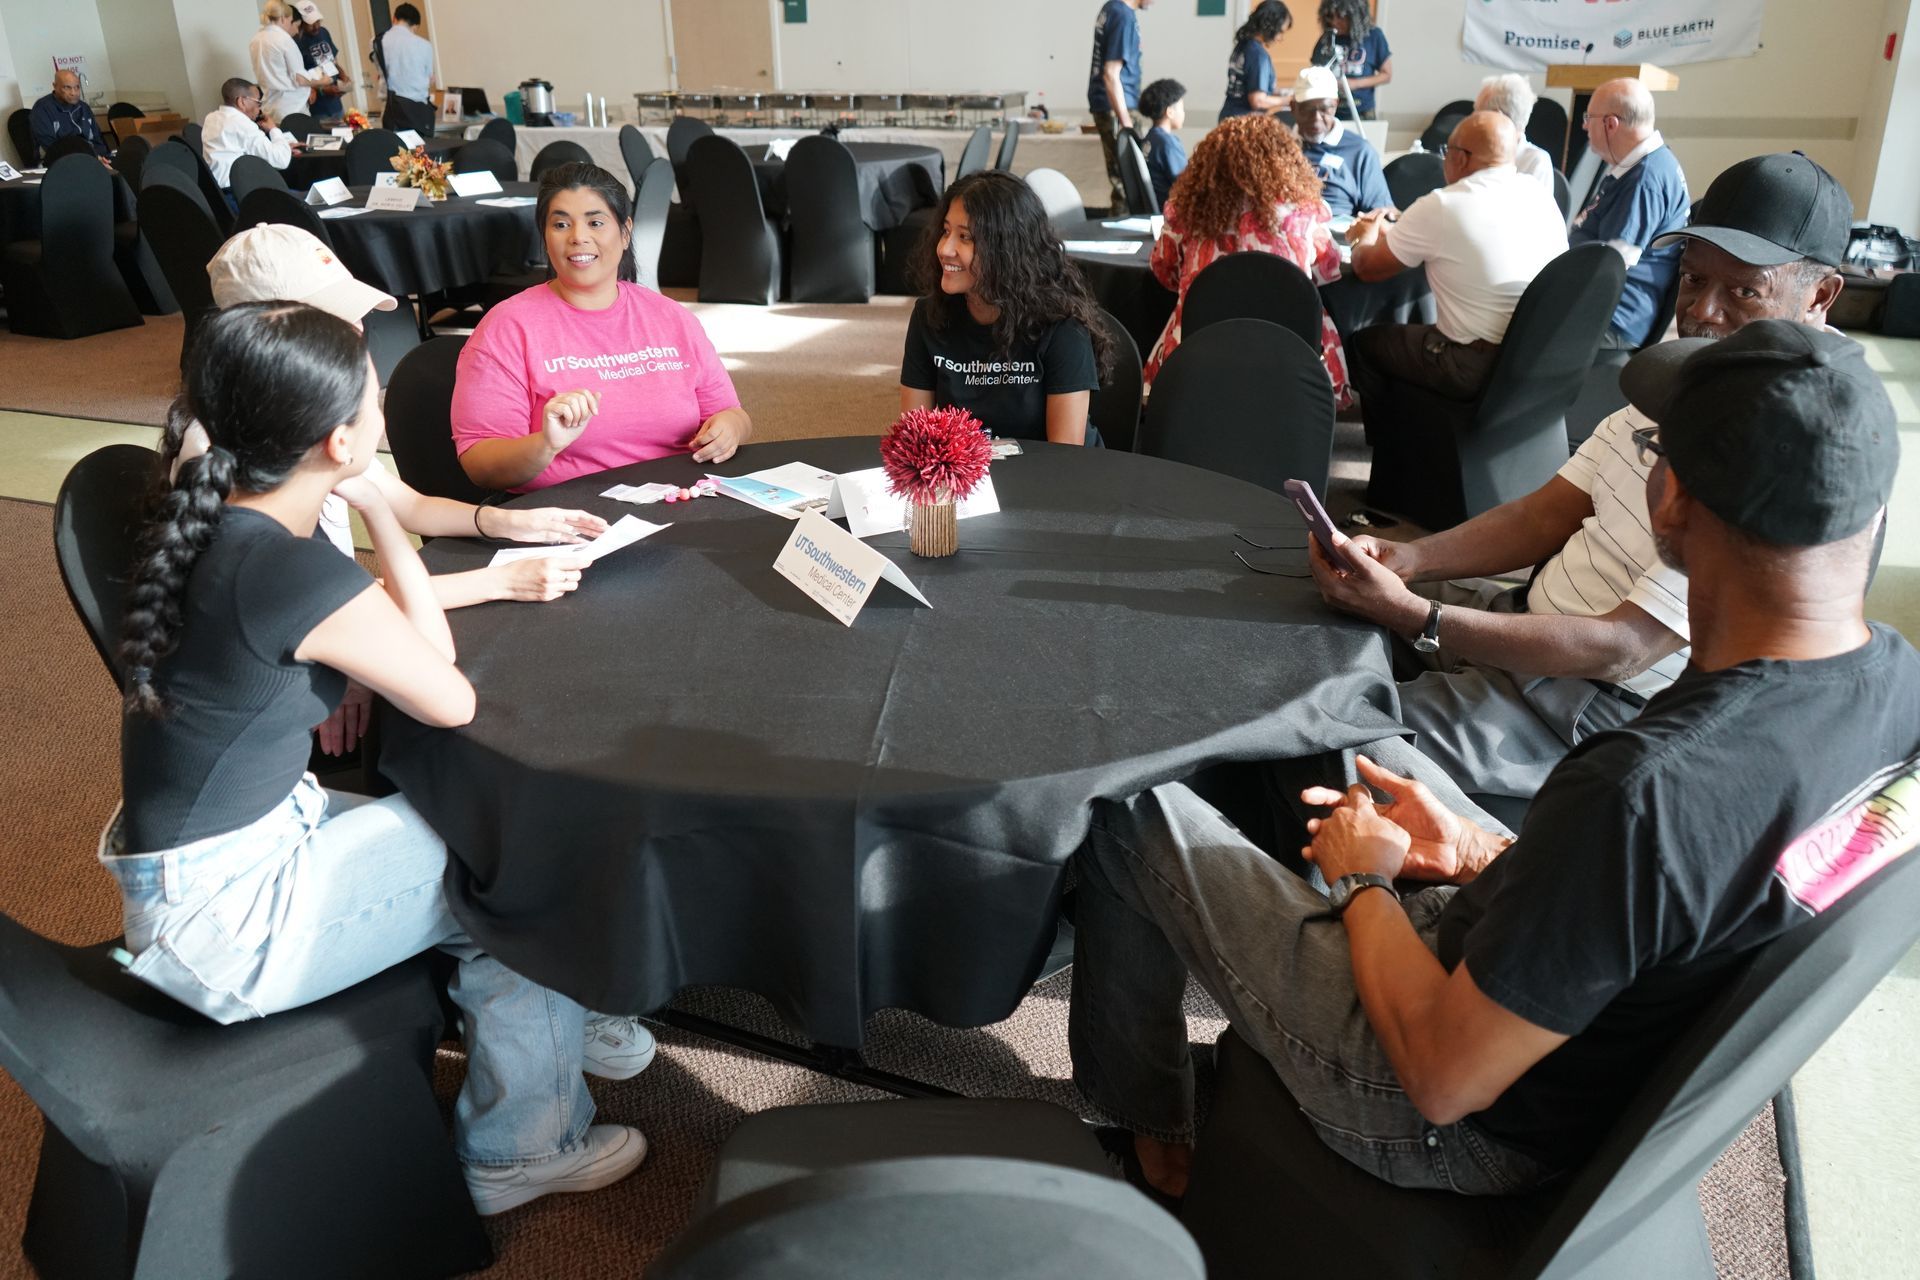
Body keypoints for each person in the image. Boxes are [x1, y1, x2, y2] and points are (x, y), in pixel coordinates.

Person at [1069, 316, 1916, 1204]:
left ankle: (1156, 1146)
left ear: (1674, 501)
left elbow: (1440, 1077)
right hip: (1568, 1030)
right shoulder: (1897, 689)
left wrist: (1363, 885)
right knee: (1331, 726)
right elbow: (1684, 904)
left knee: (1129, 797)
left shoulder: (1642, 792)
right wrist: (1480, 854)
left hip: (1443, 1114)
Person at [107, 301, 660, 1216]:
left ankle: (556, 1018)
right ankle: (523, 1146)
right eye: (371, 409)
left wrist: (350, 495)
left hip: (194, 868)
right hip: (227, 926)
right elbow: (446, 687)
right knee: (516, 857)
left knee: (474, 840)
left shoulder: (215, 505)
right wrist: (377, 513)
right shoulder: (292, 567)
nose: (383, 420)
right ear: (336, 443)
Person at [1310, 153, 1851, 804]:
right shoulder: (1684, 382)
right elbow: (1547, 514)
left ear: (1819, 296)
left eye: (1743, 292)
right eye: (1692, 279)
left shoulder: (1787, 452)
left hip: (1588, 705)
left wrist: (1421, 615)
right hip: (1533, 623)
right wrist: (1411, 557)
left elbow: (1623, 647)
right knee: (1323, 627)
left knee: (1322, 735)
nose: (1702, 312)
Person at [184, 224, 614, 761]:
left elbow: (403, 506)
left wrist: (506, 522)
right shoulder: (249, 465)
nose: (358, 328)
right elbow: (435, 680)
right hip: (292, 712)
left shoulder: (287, 430)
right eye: (328, 318)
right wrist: (497, 580)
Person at [454, 163, 751, 492]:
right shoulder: (507, 327)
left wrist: (729, 428)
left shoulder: (671, 317)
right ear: (545, 237)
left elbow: (731, 413)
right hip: (571, 515)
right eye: (561, 224)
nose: (578, 237)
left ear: (625, 233)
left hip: (681, 499)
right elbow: (480, 463)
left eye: (595, 222)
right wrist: (546, 445)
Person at [1345, 112, 1566, 410]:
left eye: (1447, 152)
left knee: (1363, 344)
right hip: (1535, 355)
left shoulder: (1443, 204)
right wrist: (1396, 233)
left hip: (1470, 364)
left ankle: (1398, 441)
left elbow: (1366, 268)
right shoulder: (1537, 193)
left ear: (1460, 158)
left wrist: (1364, 235)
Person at [1141, 114, 1347, 406]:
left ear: (1210, 166)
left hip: (1198, 345)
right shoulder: (1305, 214)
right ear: (1285, 163)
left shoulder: (1186, 214)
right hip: (1293, 346)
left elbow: (1165, 275)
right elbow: (1329, 270)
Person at [901, 170, 1111, 445]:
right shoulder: (929, 316)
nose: (945, 248)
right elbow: (914, 440)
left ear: (1006, 250)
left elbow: (1065, 459)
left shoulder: (1062, 327)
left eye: (965, 237)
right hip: (968, 481)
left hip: (1047, 479)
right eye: (946, 231)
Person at [1570, 78, 1689, 348]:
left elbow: (1610, 267)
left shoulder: (1644, 180)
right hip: (1603, 309)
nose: (1584, 126)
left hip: (1612, 321)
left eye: (1589, 117)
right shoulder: (1639, 166)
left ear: (1610, 124)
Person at [1291, 66, 1392, 218]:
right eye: (1308, 109)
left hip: (1338, 234)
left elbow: (1381, 211)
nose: (1317, 118)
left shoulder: (1360, 151)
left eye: (1325, 109)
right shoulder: (1278, 146)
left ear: (1336, 105)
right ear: (1294, 108)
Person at [1087, 0, 1152, 216]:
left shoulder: (1112, 9)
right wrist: (1126, 122)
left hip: (1112, 105)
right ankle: (1120, 241)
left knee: (1124, 180)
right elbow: (1111, 74)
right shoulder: (1122, 14)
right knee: (1127, 181)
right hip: (1117, 107)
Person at [201, 78, 294, 190]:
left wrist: (277, 145)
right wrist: (273, 129)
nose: (259, 109)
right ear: (241, 102)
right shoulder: (241, 124)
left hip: (216, 191)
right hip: (238, 193)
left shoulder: (211, 117)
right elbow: (281, 160)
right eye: (258, 102)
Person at [250, 0, 332, 125]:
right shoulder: (284, 40)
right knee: (301, 143)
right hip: (292, 107)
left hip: (270, 106)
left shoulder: (256, 39)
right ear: (283, 18)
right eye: (290, 21)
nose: (292, 28)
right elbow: (299, 79)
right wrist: (323, 81)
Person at [1475, 73, 1554, 193]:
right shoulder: (1474, 151)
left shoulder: (1536, 162)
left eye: (1478, 114)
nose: (1473, 120)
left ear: (1498, 117)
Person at [1316, 0, 1391, 120]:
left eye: (1341, 17)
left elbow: (1386, 75)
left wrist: (1355, 84)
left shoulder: (1374, 36)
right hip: (1330, 111)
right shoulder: (1327, 38)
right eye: (1331, 16)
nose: (1335, 22)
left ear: (1355, 16)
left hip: (1362, 112)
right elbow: (1314, 72)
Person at [1219, 2, 1292, 122]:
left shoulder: (1243, 46)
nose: (1280, 38)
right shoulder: (1258, 55)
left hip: (1228, 116)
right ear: (1271, 26)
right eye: (1281, 32)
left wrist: (1284, 92)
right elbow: (1258, 100)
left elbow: (1254, 87)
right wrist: (1289, 100)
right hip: (1244, 123)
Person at [379, 3, 439, 137]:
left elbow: (381, 70)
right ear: (415, 26)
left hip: (391, 109)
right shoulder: (425, 45)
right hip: (418, 111)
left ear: (394, 19)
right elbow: (429, 78)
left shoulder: (378, 41)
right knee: (420, 153)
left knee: (395, 153)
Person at [29, 69, 110, 161]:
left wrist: (103, 157)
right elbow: (50, 146)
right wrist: (91, 157)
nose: (73, 93)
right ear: (55, 86)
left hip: (90, 157)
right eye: (67, 88)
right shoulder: (42, 108)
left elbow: (97, 139)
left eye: (77, 87)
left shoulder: (84, 107)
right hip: (58, 160)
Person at [292, 0, 350, 122]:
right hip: (317, 109)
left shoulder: (324, 32)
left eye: (318, 21)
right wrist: (322, 90)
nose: (316, 26)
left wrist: (343, 76)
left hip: (336, 104)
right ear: (301, 23)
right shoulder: (296, 42)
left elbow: (332, 60)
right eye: (311, 23)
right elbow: (298, 79)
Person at [1138, 79, 1187, 211]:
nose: (1183, 113)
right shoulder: (1167, 143)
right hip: (1170, 210)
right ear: (1170, 112)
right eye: (1181, 109)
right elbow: (1187, 183)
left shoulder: (1150, 139)